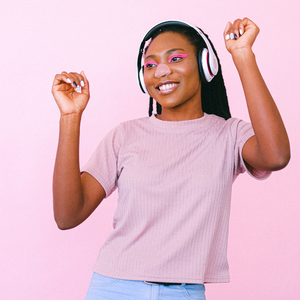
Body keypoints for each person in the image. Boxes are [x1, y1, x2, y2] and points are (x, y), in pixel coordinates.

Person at [51, 18, 290, 300]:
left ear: (206, 65)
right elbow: (67, 215)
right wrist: (70, 117)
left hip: (184, 293)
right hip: (112, 287)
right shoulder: (124, 135)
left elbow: (275, 156)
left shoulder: (230, 134)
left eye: (175, 58)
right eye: (150, 65)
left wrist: (242, 55)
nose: (161, 71)